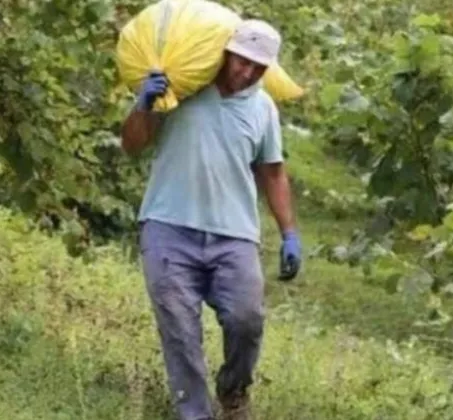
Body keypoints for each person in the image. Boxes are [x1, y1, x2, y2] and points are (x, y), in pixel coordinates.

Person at [119, 19, 302, 420]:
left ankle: (233, 393)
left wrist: (289, 233)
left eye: (259, 67)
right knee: (180, 331)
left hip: (234, 235)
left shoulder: (262, 107)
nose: (248, 73)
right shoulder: (182, 89)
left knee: (246, 320)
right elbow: (131, 144)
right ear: (226, 53)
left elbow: (272, 171)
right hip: (168, 227)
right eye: (243, 62)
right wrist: (143, 105)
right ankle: (195, 414)